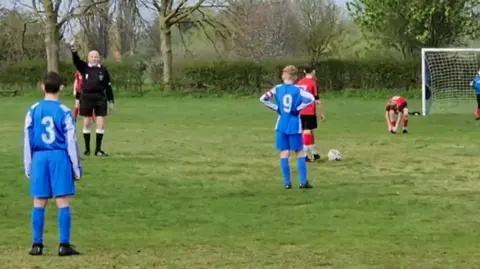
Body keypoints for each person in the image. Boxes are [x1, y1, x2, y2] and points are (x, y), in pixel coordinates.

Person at [23, 71, 82, 256]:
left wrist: (28, 165)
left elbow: (27, 140)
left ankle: (36, 244)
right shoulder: (64, 112)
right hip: (59, 157)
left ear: (42, 87)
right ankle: (63, 245)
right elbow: (71, 141)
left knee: (38, 201)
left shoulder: (33, 110)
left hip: (39, 157)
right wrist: (75, 167)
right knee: (62, 201)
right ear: (61, 88)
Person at [260, 65, 315, 189]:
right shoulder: (298, 89)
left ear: (283, 76)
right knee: (299, 151)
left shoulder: (277, 88)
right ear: (295, 77)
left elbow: (263, 99)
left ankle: (287, 183)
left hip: (281, 124)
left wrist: (276, 108)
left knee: (284, 153)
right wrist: (298, 108)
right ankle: (302, 182)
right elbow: (310, 99)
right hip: (294, 123)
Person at [68, 40, 114, 156]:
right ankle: (87, 149)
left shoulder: (103, 70)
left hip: (100, 98)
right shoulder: (84, 68)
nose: (94, 58)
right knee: (87, 123)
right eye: (92, 56)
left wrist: (111, 101)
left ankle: (98, 150)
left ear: (99, 58)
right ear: (88, 58)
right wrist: (73, 48)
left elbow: (108, 86)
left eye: (96, 57)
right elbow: (76, 61)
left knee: (100, 123)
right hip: (86, 97)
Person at [296, 66, 325, 162]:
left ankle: (314, 153)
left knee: (309, 131)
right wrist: (321, 113)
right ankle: (303, 154)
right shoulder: (312, 83)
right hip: (308, 110)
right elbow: (317, 99)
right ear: (312, 72)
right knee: (307, 132)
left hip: (300, 110)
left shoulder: (299, 82)